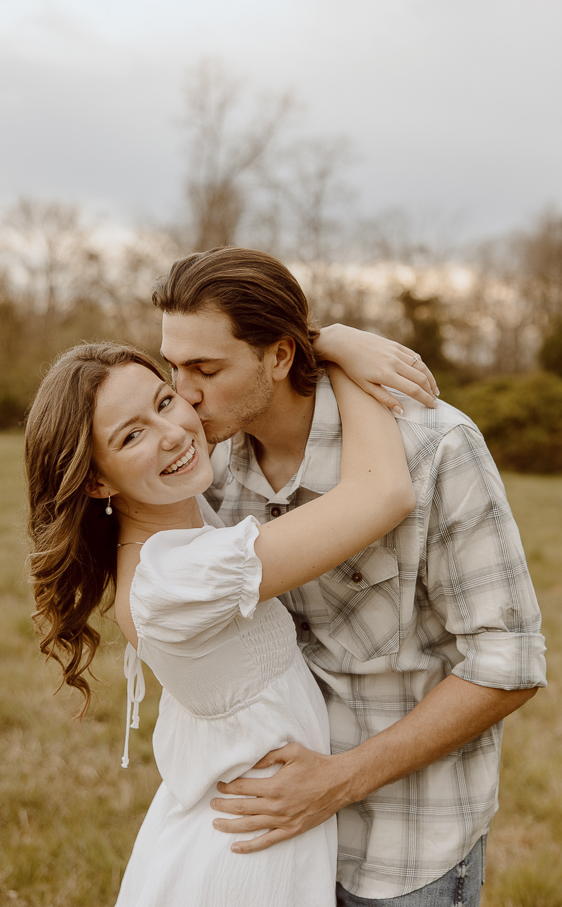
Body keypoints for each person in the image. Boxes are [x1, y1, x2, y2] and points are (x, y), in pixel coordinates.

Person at [153, 247, 548, 907]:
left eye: (205, 368)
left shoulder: (434, 448)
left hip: (404, 846)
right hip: (264, 840)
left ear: (279, 357)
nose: (183, 392)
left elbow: (507, 660)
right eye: (172, 365)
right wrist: (329, 340)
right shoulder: (206, 468)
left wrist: (339, 780)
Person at [24, 340, 415, 907]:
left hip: (250, 825)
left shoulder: (177, 521)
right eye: (130, 436)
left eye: (164, 400)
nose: (173, 433)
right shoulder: (175, 578)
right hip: (245, 862)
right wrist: (339, 349)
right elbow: (384, 492)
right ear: (96, 483)